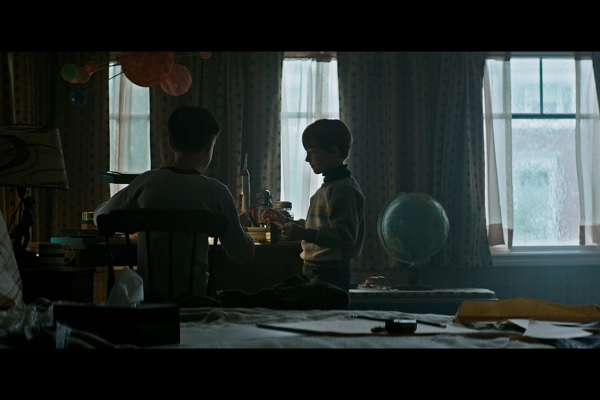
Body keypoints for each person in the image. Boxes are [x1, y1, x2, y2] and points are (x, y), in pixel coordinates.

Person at [94, 106, 255, 302]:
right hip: (196, 304)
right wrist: (241, 228)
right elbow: (242, 254)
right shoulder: (217, 193)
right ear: (209, 145)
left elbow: (101, 217)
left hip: (148, 304)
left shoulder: (147, 183)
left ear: (171, 142)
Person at [262, 119, 365, 292]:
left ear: (334, 151)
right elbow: (318, 229)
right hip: (313, 268)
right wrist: (285, 221)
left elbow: (345, 237)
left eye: (311, 152)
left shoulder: (344, 189)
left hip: (331, 271)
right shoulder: (326, 188)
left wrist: (303, 233)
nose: (306, 159)